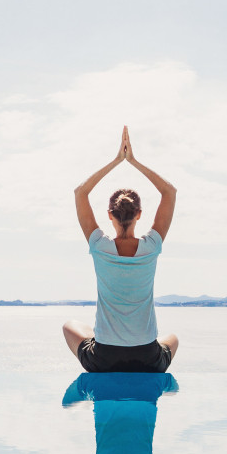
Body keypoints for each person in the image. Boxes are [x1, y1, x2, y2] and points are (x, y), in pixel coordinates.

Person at [64, 126, 179, 373]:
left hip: (104, 358)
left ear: (110, 215)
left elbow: (80, 192)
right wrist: (133, 161)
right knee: (172, 339)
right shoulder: (151, 246)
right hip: (147, 358)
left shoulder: (99, 246)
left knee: (70, 326)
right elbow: (169, 192)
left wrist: (117, 160)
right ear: (139, 214)